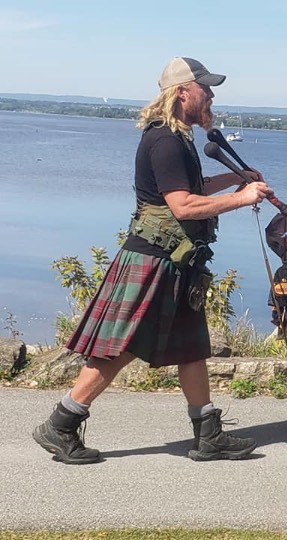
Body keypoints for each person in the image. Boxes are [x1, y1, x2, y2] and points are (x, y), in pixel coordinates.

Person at [32, 57, 274, 464]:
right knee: (122, 347)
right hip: (155, 259)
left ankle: (208, 434)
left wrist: (236, 179)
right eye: (205, 88)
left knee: (192, 347)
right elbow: (182, 206)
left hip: (175, 262)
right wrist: (243, 199)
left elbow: (191, 187)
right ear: (182, 92)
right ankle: (61, 423)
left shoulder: (179, 138)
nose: (211, 96)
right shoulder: (164, 140)